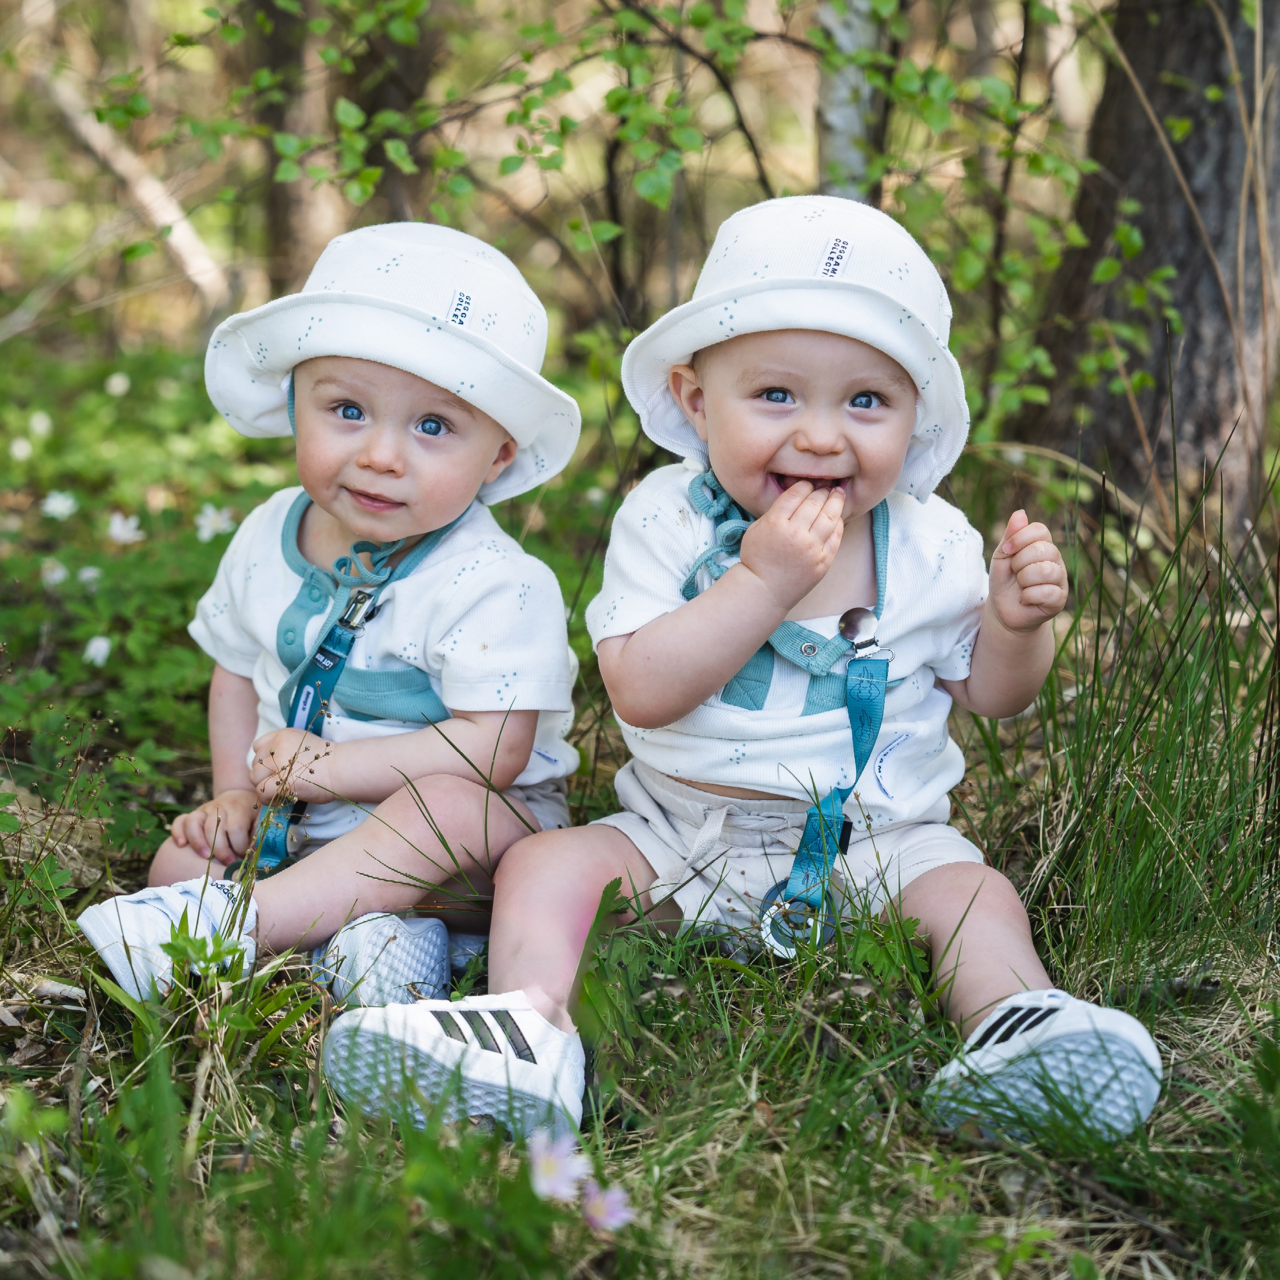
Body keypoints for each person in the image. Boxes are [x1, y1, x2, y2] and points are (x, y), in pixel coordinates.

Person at [319, 197, 1163, 1144]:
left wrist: (1017, 625)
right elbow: (640, 688)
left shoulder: (931, 545)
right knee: (547, 864)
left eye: (866, 402)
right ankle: (527, 1029)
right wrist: (761, 583)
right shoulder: (666, 520)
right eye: (776, 396)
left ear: (914, 415)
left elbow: (996, 698)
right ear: (693, 401)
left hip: (873, 843)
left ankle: (1015, 1027)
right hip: (681, 835)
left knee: (973, 893)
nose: (820, 436)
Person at [78, 223, 585, 1029]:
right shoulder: (267, 533)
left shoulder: (497, 581)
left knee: (444, 808)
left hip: (465, 851)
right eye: (347, 410)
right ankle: (365, 947)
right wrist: (234, 793)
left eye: (432, 427)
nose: (382, 455)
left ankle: (236, 934)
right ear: (293, 404)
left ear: (497, 455)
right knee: (182, 854)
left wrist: (330, 769)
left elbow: (496, 750)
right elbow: (237, 672)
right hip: (300, 826)